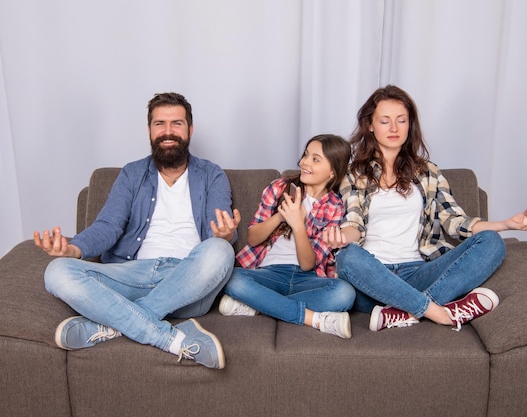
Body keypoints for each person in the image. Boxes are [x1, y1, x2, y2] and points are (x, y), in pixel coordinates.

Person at [34, 92, 241, 369]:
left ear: (190, 130)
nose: (168, 132)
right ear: (149, 130)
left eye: (177, 123)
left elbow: (221, 229)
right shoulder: (132, 174)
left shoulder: (211, 174)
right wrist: (72, 249)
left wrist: (225, 235)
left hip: (187, 279)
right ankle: (169, 338)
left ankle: (115, 324)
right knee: (56, 272)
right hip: (131, 275)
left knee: (220, 251)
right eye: (160, 124)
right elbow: (107, 226)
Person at [325, 85, 527, 332]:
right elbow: (354, 222)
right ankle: (436, 311)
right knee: (348, 257)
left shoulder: (427, 172)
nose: (394, 128)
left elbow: (454, 221)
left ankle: (404, 312)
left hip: (418, 272)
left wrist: (507, 224)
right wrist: (343, 237)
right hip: (373, 279)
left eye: (401, 120)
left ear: (410, 124)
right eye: (385, 121)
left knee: (492, 242)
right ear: (370, 126)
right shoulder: (354, 174)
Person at [219, 134, 356, 338]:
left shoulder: (335, 207)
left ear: (332, 172)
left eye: (315, 159)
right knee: (231, 278)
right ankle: (314, 319)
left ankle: (260, 304)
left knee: (344, 293)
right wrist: (281, 217)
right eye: (305, 155)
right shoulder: (278, 187)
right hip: (269, 272)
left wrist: (298, 225)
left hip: (307, 279)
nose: (304, 162)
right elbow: (253, 238)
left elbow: (308, 264)